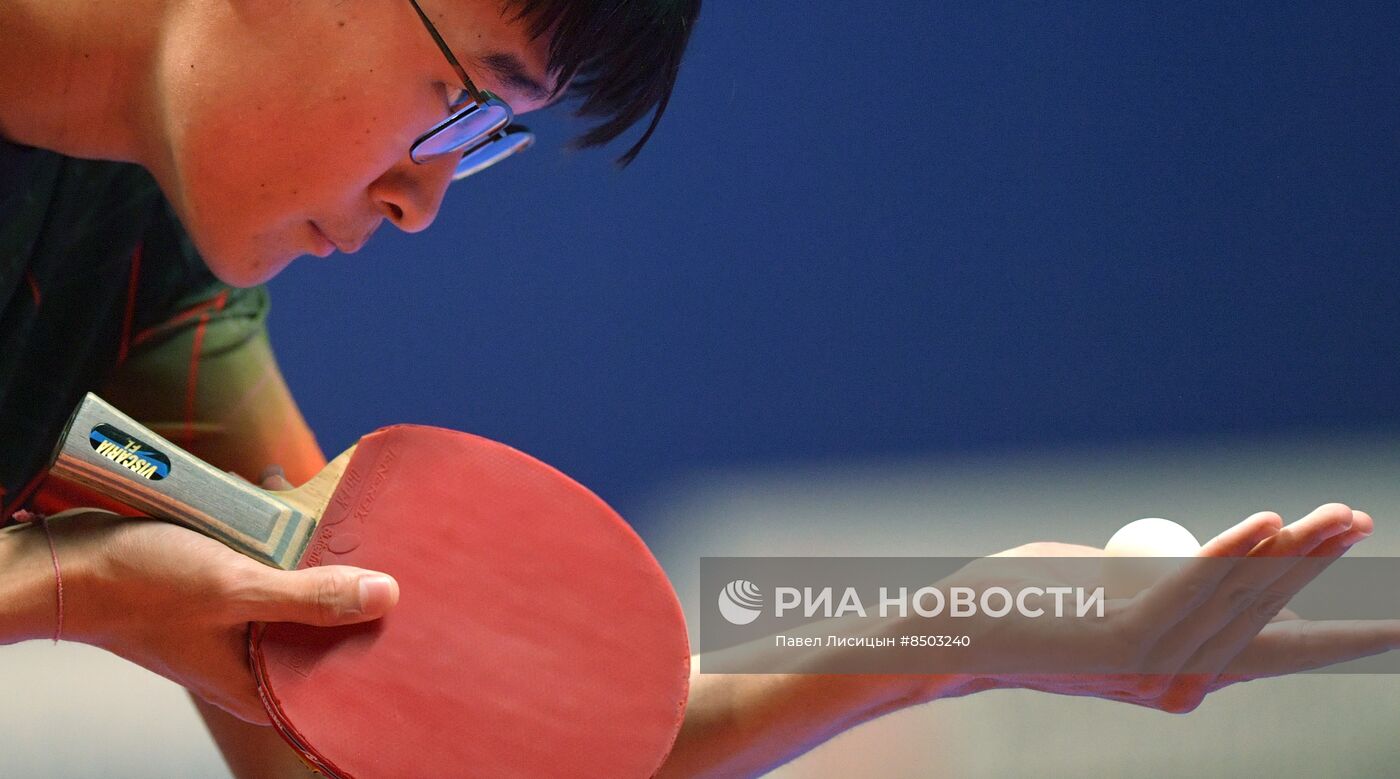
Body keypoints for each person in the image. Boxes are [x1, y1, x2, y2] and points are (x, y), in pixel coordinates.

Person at [0, 2, 1394, 777]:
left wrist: (975, 620)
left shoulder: (154, 271)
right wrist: (65, 589)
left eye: (489, 140)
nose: (425, 194)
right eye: (463, 94)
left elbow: (423, 752)